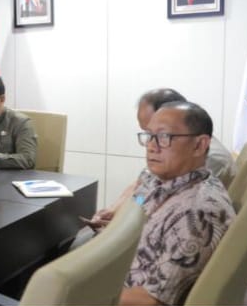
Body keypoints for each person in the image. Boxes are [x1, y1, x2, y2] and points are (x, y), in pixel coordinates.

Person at [119, 102, 235, 306]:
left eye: (164, 137)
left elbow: (152, 301)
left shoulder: (197, 214)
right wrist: (118, 218)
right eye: (149, 135)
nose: (151, 146)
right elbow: (138, 202)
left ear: (199, 145)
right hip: (117, 260)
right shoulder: (158, 179)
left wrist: (74, 297)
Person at [87, 88, 234, 230]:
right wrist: (115, 211)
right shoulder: (170, 153)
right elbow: (142, 189)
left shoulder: (207, 161)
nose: (150, 145)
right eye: (148, 133)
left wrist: (120, 222)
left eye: (161, 134)